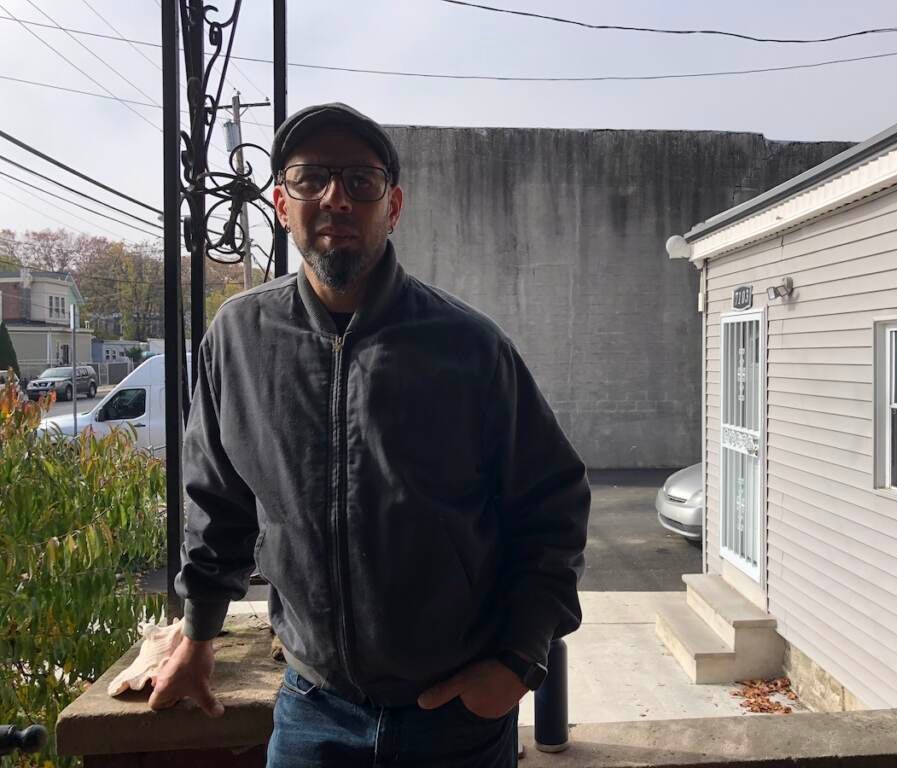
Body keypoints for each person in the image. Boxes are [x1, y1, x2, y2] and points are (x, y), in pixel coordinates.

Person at [148, 102, 591, 767]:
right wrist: (199, 631)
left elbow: (552, 508)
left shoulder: (468, 346)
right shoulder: (238, 339)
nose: (335, 197)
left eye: (361, 180)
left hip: (454, 724)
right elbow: (219, 502)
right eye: (310, 178)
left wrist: (517, 661)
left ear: (394, 204)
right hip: (311, 713)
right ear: (279, 202)